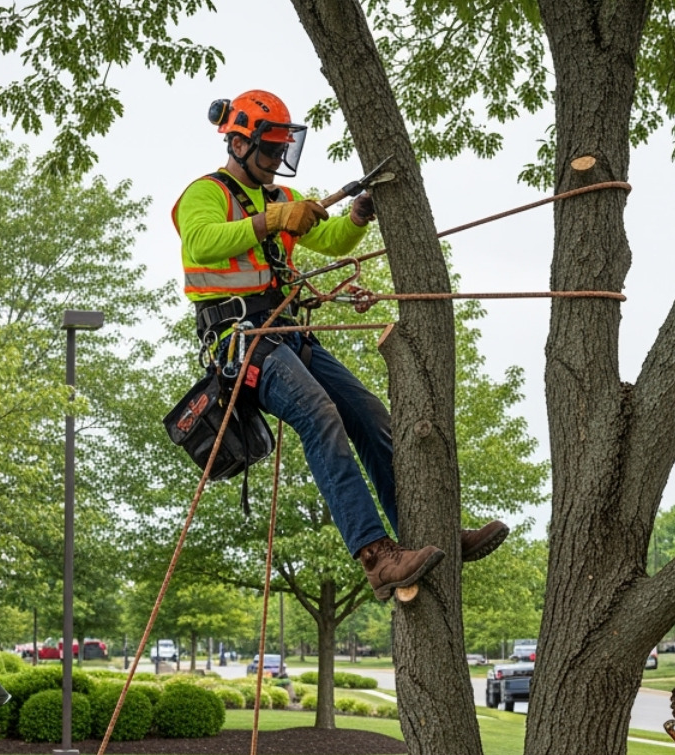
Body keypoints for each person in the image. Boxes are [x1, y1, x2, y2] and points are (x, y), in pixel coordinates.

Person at [172, 89, 508, 600]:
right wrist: (271, 221)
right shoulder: (206, 193)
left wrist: (355, 218)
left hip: (286, 332)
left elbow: (328, 241)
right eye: (268, 148)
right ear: (238, 142)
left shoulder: (281, 199)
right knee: (318, 414)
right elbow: (200, 242)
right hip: (240, 340)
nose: (276, 160)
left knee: (370, 417)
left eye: (283, 148)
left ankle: (436, 534)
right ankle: (376, 557)